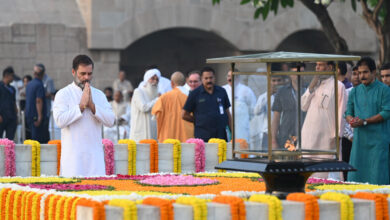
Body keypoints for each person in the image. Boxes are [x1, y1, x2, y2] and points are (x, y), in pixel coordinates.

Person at [53, 54, 115, 177]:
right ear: (73, 72)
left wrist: (92, 106)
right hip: (73, 160)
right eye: (82, 74)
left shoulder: (99, 95)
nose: (86, 77)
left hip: (95, 159)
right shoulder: (63, 94)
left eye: (89, 73)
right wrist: (81, 107)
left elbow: (111, 120)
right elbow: (60, 121)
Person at [346, 57, 390, 184]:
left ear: (374, 72)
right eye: (359, 73)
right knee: (355, 179)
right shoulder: (354, 91)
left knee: (377, 178)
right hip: (359, 142)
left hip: (378, 141)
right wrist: (351, 120)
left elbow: (387, 112)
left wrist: (365, 121)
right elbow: (348, 113)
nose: (361, 76)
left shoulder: (385, 90)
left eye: (365, 72)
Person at [301, 61, 347, 179]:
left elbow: (342, 113)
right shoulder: (315, 85)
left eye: (320, 65)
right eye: (316, 64)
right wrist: (312, 85)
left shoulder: (339, 86)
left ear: (330, 67)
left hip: (327, 139)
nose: (317, 67)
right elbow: (303, 106)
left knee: (325, 175)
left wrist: (337, 136)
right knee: (307, 174)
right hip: (308, 137)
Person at [182, 67, 231, 142]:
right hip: (203, 136)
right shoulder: (195, 94)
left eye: (211, 78)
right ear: (202, 79)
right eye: (206, 78)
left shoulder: (222, 91)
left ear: (214, 78)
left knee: (221, 153)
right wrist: (198, 120)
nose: (209, 80)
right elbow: (184, 115)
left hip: (221, 135)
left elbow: (227, 113)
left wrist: (232, 132)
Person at [271, 62, 306, 149]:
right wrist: (273, 140)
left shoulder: (309, 90)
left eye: (301, 72)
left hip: (306, 136)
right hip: (286, 136)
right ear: (290, 74)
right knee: (287, 161)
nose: (298, 75)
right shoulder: (282, 91)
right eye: (295, 73)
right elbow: (276, 117)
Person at [152, 71, 194, 142]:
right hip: (187, 137)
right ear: (184, 83)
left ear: (171, 83)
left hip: (168, 138)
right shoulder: (191, 96)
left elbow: (155, 116)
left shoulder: (163, 97)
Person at [253, 71, 285, 150]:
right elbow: (256, 112)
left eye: (279, 80)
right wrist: (268, 95)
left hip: (284, 133)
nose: (276, 83)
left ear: (283, 82)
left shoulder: (287, 95)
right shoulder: (264, 96)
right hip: (268, 133)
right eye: (273, 81)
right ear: (269, 82)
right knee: (266, 159)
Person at [222, 69, 256, 143]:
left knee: (242, 146)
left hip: (242, 126)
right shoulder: (222, 90)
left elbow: (253, 110)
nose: (229, 78)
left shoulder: (246, 90)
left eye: (232, 76)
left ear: (238, 77)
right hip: (226, 126)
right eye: (228, 76)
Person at [341, 65, 361, 180]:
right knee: (347, 170)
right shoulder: (346, 92)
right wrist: (351, 136)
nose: (357, 77)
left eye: (360, 73)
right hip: (348, 139)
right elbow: (341, 118)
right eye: (354, 74)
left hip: (365, 138)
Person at [129, 68, 160, 141]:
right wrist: (157, 100)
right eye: (152, 79)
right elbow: (143, 107)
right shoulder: (138, 91)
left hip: (153, 129)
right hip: (141, 129)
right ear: (147, 79)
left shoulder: (155, 94)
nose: (155, 81)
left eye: (157, 79)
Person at [25, 65, 50, 143]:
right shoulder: (39, 84)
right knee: (38, 141)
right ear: (42, 74)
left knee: (33, 139)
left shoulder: (29, 84)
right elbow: (38, 100)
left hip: (29, 115)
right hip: (36, 116)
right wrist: (40, 116)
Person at [35, 64, 55, 140]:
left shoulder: (48, 80)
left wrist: (40, 94)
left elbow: (50, 92)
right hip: (38, 106)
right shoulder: (37, 80)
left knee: (45, 127)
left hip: (45, 106)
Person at [0, 67, 18, 140]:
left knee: (10, 139)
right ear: (7, 75)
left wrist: (16, 115)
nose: (13, 78)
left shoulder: (12, 89)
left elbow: (13, 102)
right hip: (2, 116)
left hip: (11, 117)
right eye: (12, 76)